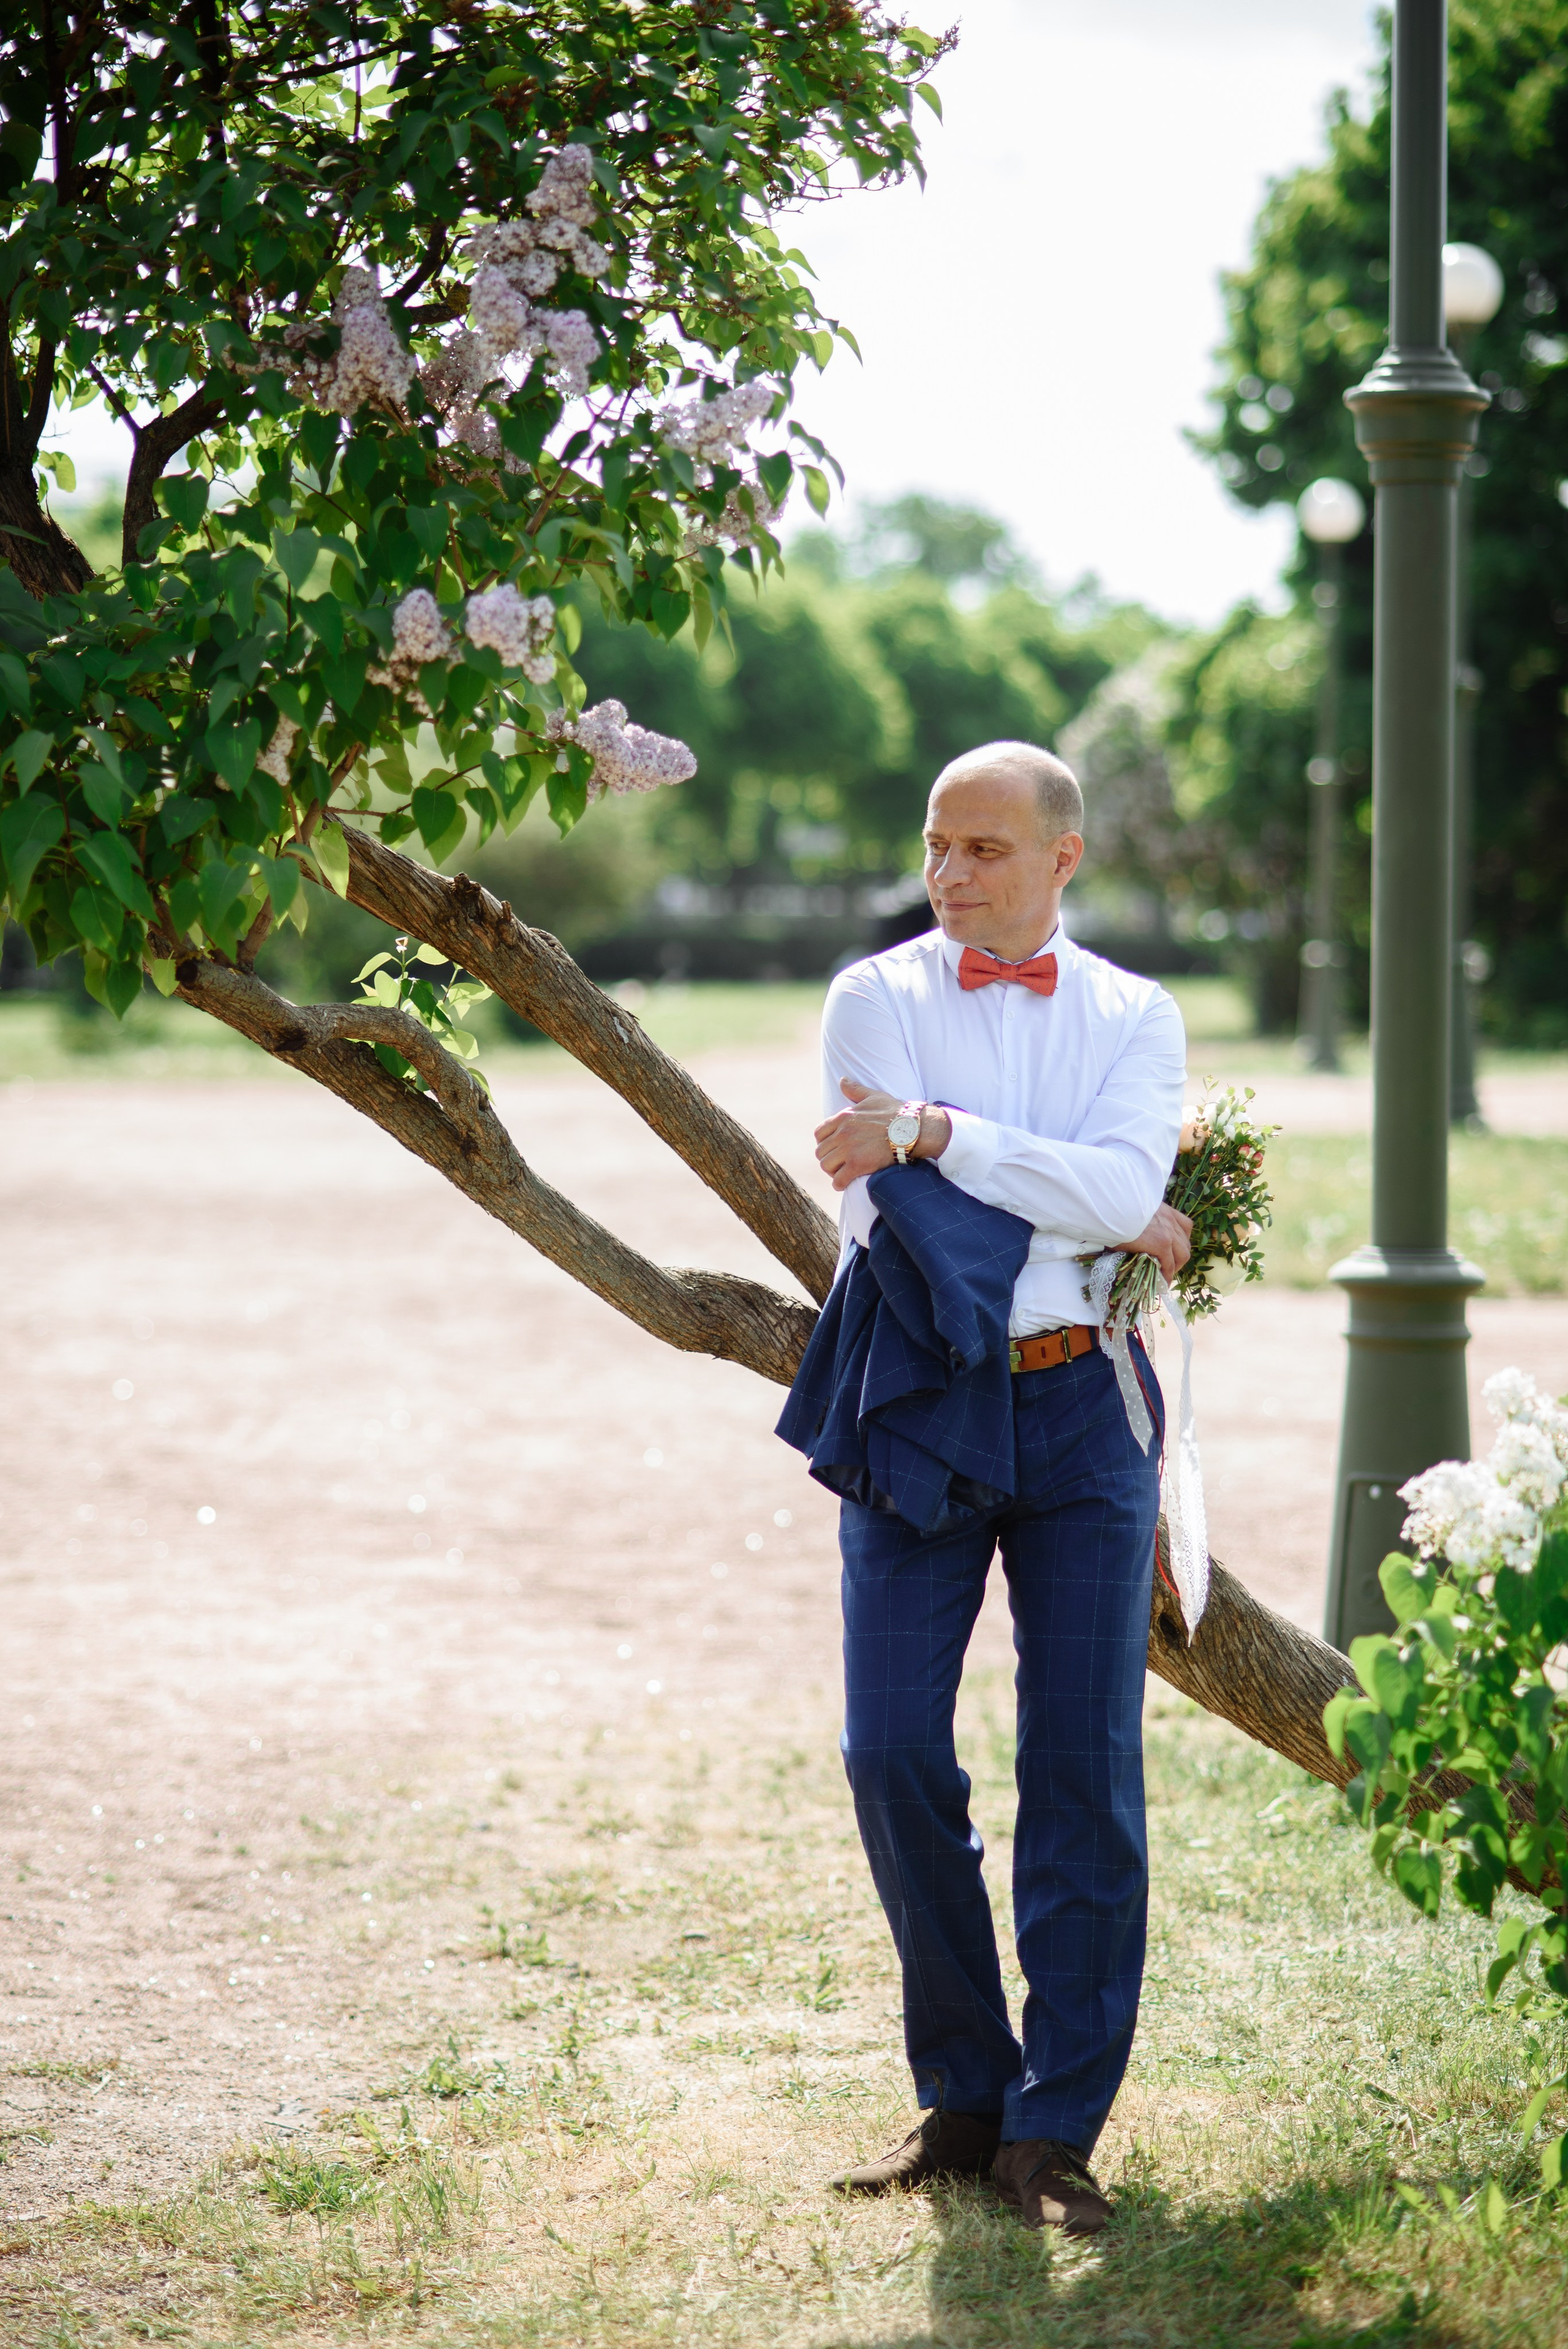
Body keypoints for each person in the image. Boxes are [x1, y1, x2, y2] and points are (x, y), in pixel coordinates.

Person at [809, 740, 1191, 2236]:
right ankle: (964, 2088)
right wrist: (1072, 1196)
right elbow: (908, 1228)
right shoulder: (871, 998)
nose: (951, 874)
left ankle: (1055, 2125)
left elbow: (1106, 1193)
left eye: (983, 848)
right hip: (915, 1396)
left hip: (1087, 1410)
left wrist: (937, 1135)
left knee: (1084, 1767)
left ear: (1062, 858)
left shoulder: (1134, 1015)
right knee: (888, 1749)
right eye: (935, 845)